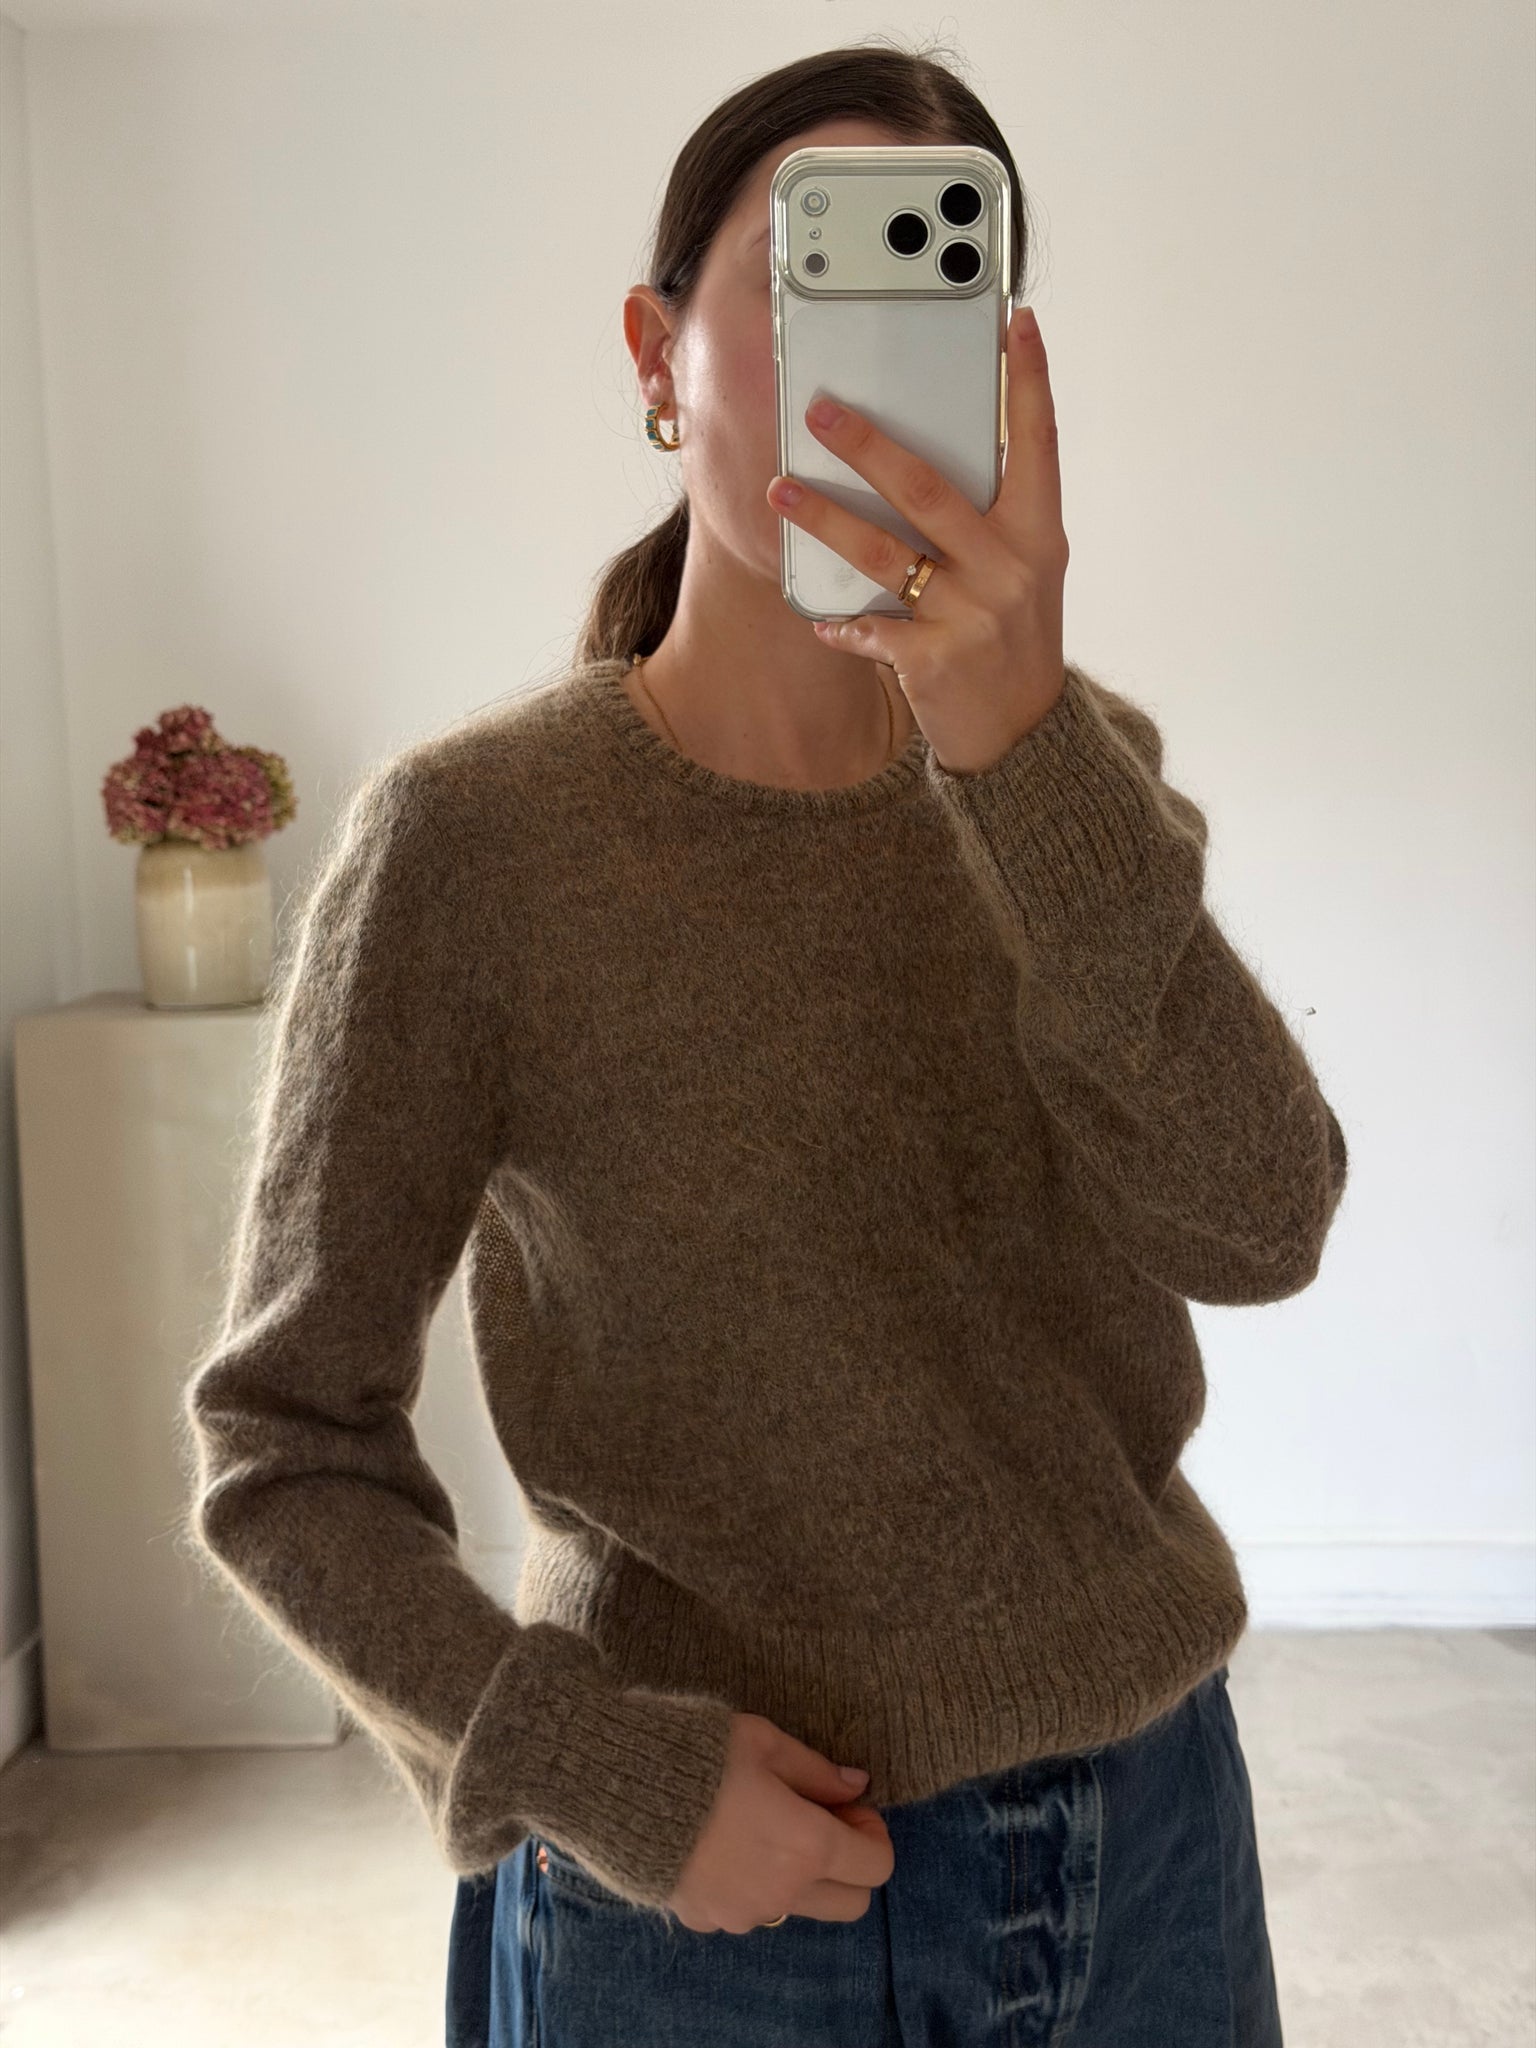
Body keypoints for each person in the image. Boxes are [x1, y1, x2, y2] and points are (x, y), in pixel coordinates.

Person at [183, 38, 1348, 2048]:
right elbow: (283, 1449)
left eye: (927, 282)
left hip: (1150, 1853)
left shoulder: (1077, 783)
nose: (856, 356)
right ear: (657, 353)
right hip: (703, 1918)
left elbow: (1261, 1224)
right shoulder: (475, 845)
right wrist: (594, 1768)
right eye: (804, 269)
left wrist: (1028, 759)